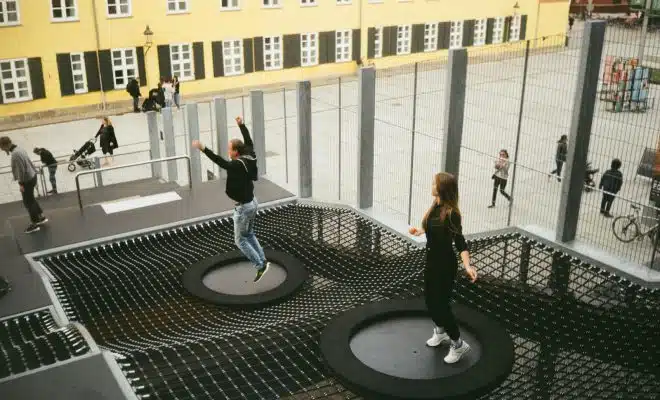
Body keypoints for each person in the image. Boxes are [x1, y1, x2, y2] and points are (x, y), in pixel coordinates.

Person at [409, 172, 478, 364]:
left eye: (434, 183)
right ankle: (440, 332)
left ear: (443, 188)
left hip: (445, 266)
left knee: (441, 306)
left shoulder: (451, 213)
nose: (431, 185)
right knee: (430, 302)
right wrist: (420, 230)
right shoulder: (435, 207)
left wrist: (467, 266)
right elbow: (432, 227)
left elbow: (460, 242)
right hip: (431, 262)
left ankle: (458, 344)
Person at [192, 116, 270, 282]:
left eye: (229, 149)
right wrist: (241, 124)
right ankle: (263, 260)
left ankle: (259, 265)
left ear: (236, 151)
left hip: (244, 208)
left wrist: (202, 148)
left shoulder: (235, 164)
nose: (228, 152)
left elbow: (219, 161)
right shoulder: (250, 154)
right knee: (249, 234)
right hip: (252, 202)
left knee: (240, 240)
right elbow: (248, 138)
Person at [0, 137, 48, 234]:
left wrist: (21, 184)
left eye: (1, 147)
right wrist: (35, 171)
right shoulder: (19, 149)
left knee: (27, 202)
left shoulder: (15, 154)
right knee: (31, 199)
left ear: (5, 145)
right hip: (32, 176)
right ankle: (41, 217)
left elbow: (21, 170)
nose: (1, 150)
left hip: (27, 180)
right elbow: (29, 162)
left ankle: (34, 224)